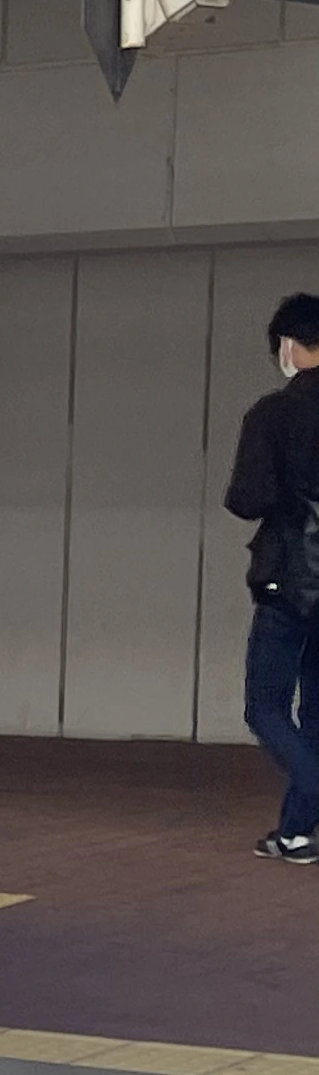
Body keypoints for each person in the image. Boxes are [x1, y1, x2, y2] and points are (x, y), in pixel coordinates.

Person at [227, 295, 319, 863]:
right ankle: (296, 834)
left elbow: (248, 498)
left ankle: (312, 794)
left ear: (289, 345)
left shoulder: (271, 415)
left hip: (290, 577)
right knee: (317, 715)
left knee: (265, 707)